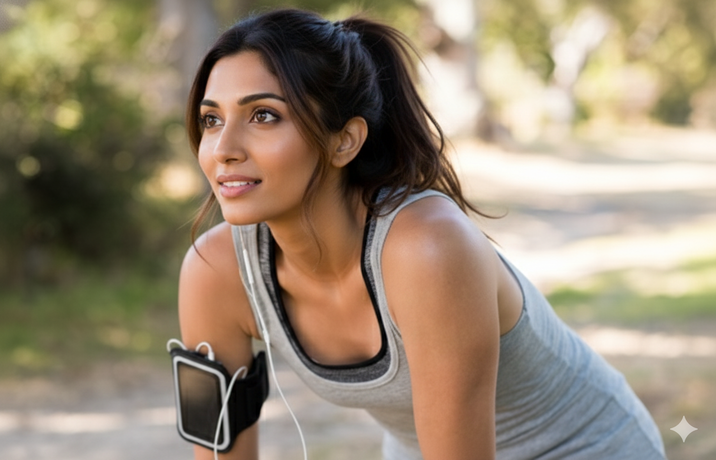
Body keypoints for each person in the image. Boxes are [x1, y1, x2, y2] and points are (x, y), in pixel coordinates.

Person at [176, 8, 666, 460]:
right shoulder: (214, 272)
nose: (222, 148)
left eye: (263, 115)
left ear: (344, 140)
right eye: (211, 119)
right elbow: (217, 453)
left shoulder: (427, 249)